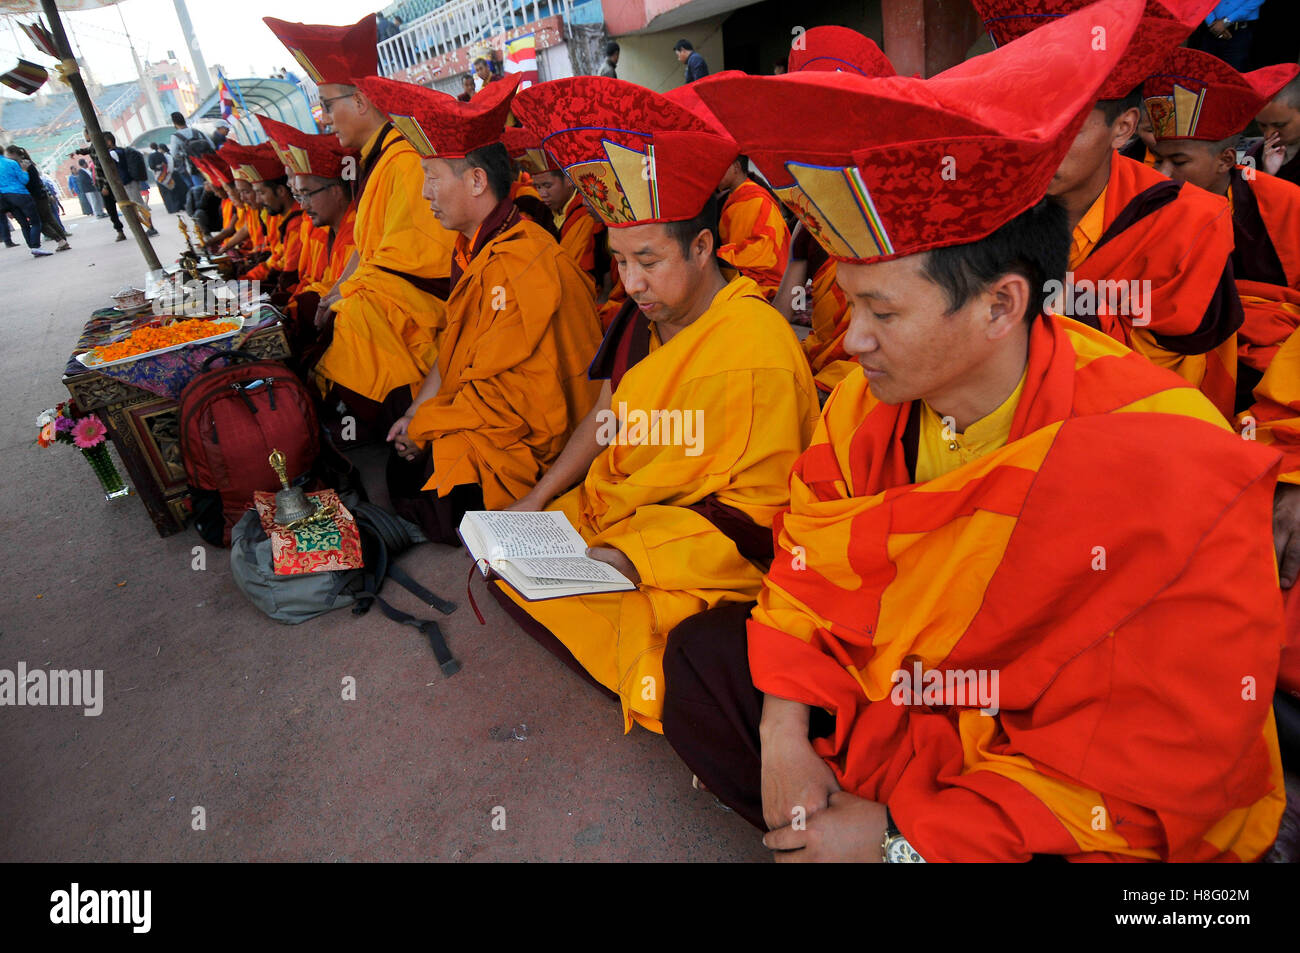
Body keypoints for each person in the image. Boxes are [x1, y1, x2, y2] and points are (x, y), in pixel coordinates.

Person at [664, 0, 1286, 863]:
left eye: (881, 310)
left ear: (1002, 304)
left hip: (1038, 774)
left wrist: (895, 837)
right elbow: (804, 561)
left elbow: (1160, 762)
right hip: (901, 713)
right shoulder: (864, 405)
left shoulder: (1166, 452)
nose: (853, 339)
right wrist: (781, 734)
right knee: (701, 660)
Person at [502, 76, 819, 733]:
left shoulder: (754, 344)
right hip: (623, 506)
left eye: (648, 259)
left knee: (666, 640)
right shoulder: (640, 317)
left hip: (698, 545)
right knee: (508, 565)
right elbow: (607, 418)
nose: (633, 282)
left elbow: (761, 516)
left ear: (703, 248)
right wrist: (537, 496)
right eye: (619, 261)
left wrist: (634, 553)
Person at [355, 74, 604, 543]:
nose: (425, 194)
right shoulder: (471, 249)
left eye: (431, 179)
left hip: (539, 432)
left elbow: (514, 398)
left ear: (475, 181)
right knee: (407, 457)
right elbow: (455, 351)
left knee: (443, 480)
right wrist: (417, 413)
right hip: (493, 410)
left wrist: (429, 423)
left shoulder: (523, 257)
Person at [970, 0, 1243, 420]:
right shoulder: (974, 210)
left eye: (1066, 126)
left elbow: (1164, 385)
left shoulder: (1185, 221)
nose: (1036, 145)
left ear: (1124, 128)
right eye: (1019, 118)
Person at [264, 13, 457, 435]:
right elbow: (369, 251)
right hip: (391, 285)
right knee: (331, 307)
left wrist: (346, 293)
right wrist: (338, 289)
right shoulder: (376, 159)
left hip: (424, 300)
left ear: (361, 101)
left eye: (328, 106)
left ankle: (399, 425)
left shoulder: (404, 159)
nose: (324, 119)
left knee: (353, 315)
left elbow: (418, 255)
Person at [1145, 48, 1300, 404]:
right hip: (1174, 346)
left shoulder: (1282, 201)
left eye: (1178, 161)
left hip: (1269, 347)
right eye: (1158, 160)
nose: (1162, 174)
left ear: (1226, 160)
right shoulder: (1146, 202)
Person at [770, 26, 897, 395]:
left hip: (894, 380)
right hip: (829, 381)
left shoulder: (904, 213)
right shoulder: (809, 224)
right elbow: (782, 313)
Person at [257, 113, 360, 368]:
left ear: (336, 191)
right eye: (298, 193)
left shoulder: (355, 233)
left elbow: (342, 295)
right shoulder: (327, 227)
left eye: (306, 194)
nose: (302, 204)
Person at [4, 146, 69, 252]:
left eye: (8, 155)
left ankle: (60, 240)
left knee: (40, 223)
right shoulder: (28, 163)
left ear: (13, 154)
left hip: (36, 197)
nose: (7, 158)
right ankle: (63, 241)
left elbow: (26, 182)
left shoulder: (23, 166)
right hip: (42, 195)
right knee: (50, 219)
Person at [1246, 75, 1300, 187]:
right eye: (1262, 125)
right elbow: (1243, 199)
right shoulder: (1252, 156)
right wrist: (1267, 175)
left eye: (1280, 125)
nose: (1268, 134)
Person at [102, 131, 157, 236]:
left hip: (128, 182)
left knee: (139, 204)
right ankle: (148, 226)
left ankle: (151, 227)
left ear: (108, 142)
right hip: (130, 181)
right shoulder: (120, 150)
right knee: (138, 204)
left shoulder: (113, 153)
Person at [1186, 1, 1262, 72]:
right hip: (1208, 29)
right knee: (1202, 73)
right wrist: (1211, 21)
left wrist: (1226, 21)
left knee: (1232, 77)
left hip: (1239, 33)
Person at [0, 151, 49, 256]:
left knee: (23, 224)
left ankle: (32, 246)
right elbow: (23, 180)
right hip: (20, 194)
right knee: (35, 222)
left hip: (5, 197)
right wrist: (24, 170)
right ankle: (36, 246)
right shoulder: (11, 163)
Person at [169, 110, 212, 192]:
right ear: (184, 120)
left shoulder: (175, 137)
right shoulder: (197, 131)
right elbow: (211, 145)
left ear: (174, 123)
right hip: (208, 164)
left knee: (201, 191)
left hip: (193, 167)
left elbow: (174, 154)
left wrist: (184, 154)